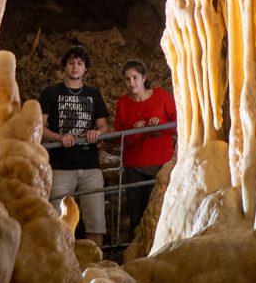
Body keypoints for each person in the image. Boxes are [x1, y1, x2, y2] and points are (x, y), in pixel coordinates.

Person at [39, 45, 109, 247]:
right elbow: (40, 127)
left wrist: (96, 132)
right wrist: (59, 137)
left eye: (80, 63)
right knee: (56, 220)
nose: (75, 67)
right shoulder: (51, 93)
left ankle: (94, 266)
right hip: (61, 166)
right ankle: (59, 262)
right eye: (71, 63)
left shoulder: (94, 95)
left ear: (85, 68)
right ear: (64, 67)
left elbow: (104, 126)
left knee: (96, 220)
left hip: (90, 165)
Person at [113, 59, 176, 236]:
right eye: (127, 79)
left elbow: (178, 125)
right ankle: (136, 252)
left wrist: (160, 124)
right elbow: (119, 137)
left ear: (144, 78)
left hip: (160, 164)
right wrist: (136, 131)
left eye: (135, 77)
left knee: (158, 210)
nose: (131, 83)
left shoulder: (161, 96)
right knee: (136, 212)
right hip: (134, 165)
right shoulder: (123, 103)